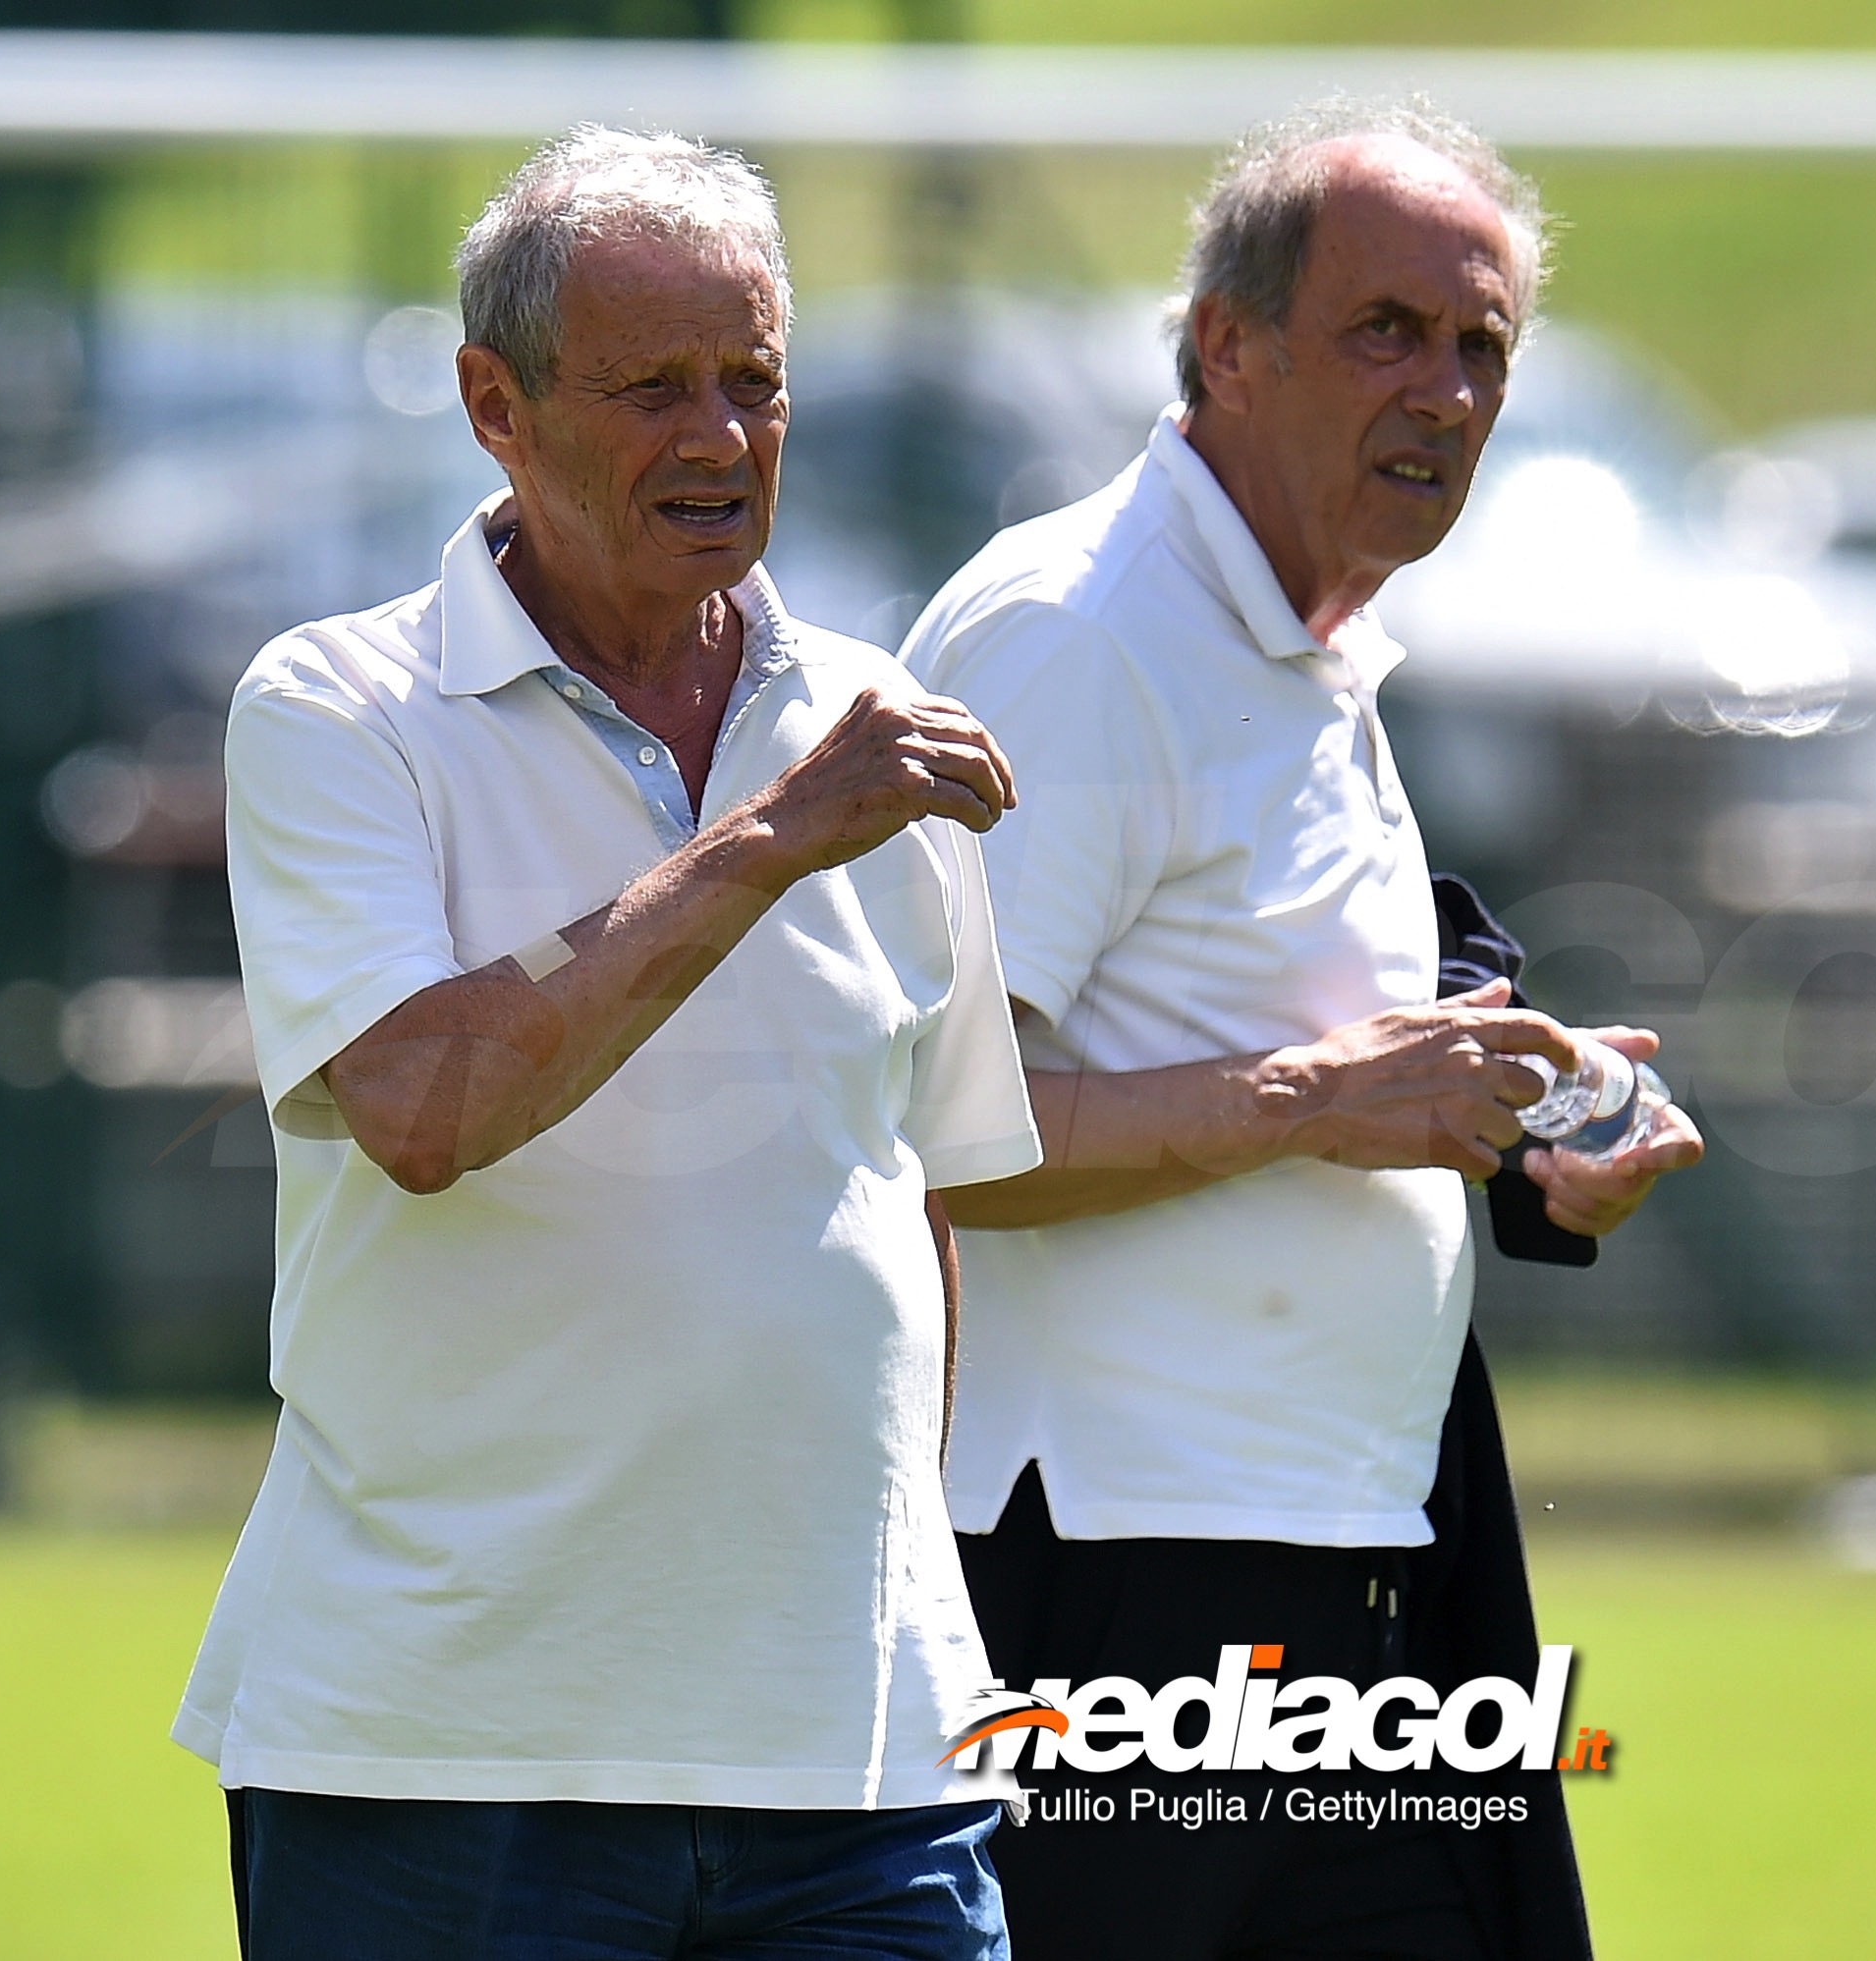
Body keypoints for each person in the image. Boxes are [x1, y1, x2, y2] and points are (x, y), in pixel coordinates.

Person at [177, 127, 1040, 1961]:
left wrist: (894, 1614)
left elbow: (922, 1190)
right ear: (495, 404)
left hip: (863, 1775)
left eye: (756, 380)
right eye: (654, 388)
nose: (719, 437)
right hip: (441, 1766)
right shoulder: (339, 708)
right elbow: (419, 1103)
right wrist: (770, 838)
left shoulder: (875, 723)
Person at [903, 99, 1702, 1961]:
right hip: (1109, 1588)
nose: (1445, 387)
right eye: (1386, 331)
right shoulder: (1082, 633)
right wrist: (1313, 1099)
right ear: (1224, 349)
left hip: (1361, 1570)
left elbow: (1333, 1049)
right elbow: (935, 1133)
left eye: (1481, 344)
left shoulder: (1303, 644)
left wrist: (1532, 1138)